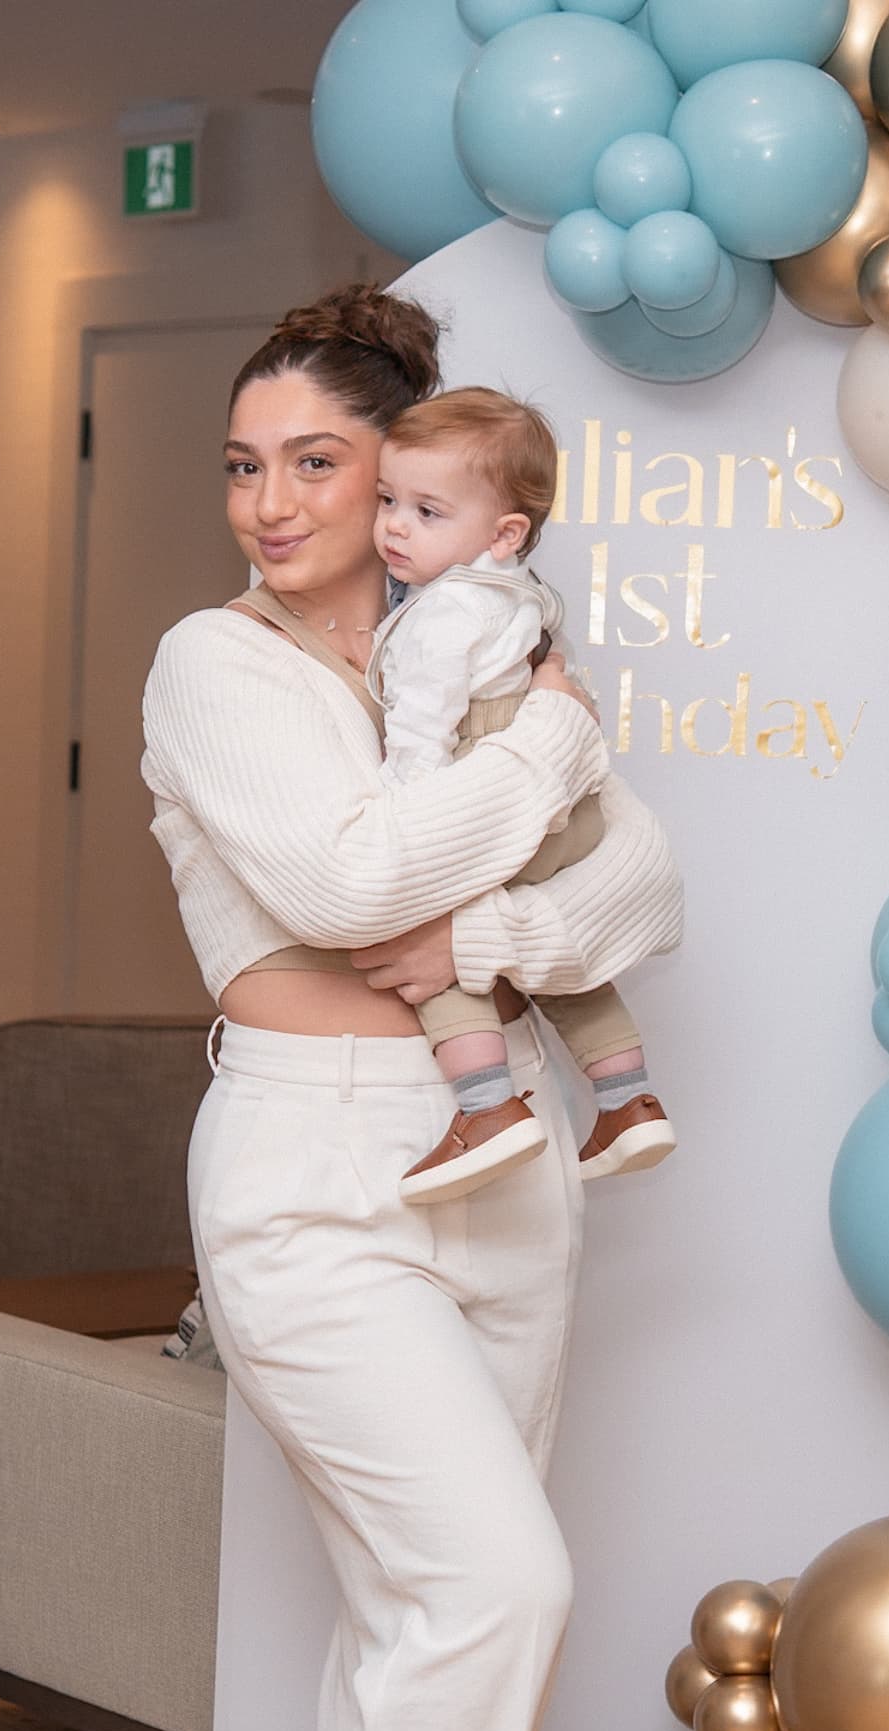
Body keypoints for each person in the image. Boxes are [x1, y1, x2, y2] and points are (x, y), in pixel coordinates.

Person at [139, 282, 683, 1731]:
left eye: (315, 461)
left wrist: (505, 906)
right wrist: (545, 748)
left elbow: (642, 892)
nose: (269, 502)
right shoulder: (217, 662)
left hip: (500, 1143)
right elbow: (351, 889)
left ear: (409, 475)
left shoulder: (476, 645)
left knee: (416, 1617)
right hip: (309, 1155)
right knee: (492, 1581)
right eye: (242, 464)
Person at [369, 386, 675, 1204]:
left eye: (427, 511)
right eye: (387, 500)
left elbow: (424, 732)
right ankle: (626, 1098)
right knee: (551, 963)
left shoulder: (441, 615)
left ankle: (487, 1107)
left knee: (439, 943)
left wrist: (411, 830)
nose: (395, 525)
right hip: (568, 804)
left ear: (504, 534)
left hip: (496, 784)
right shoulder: (522, 595)